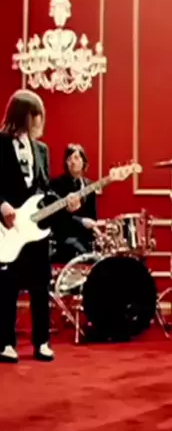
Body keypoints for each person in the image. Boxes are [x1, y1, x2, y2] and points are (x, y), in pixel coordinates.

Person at [0, 89, 81, 363]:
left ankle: (42, 342)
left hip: (36, 228)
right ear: (24, 115)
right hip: (7, 228)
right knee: (7, 285)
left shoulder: (42, 149)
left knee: (40, 284)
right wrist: (2, 205)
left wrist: (66, 203)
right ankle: (5, 342)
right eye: (36, 116)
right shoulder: (0, 143)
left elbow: (45, 190)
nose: (39, 121)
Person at [50, 143, 99, 263]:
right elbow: (57, 216)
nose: (72, 162)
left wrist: (97, 231)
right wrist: (81, 221)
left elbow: (92, 216)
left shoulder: (90, 185)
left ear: (83, 161)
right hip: (65, 237)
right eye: (69, 159)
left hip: (86, 238)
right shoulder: (57, 184)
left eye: (76, 158)